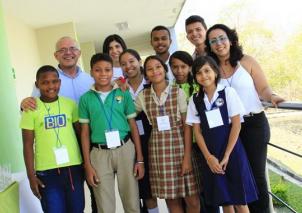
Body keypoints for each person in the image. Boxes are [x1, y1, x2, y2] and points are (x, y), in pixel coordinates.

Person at [205, 24, 285, 213]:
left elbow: (263, 89)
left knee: (257, 176)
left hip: (253, 124)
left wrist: (272, 97)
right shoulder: (211, 69)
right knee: (237, 175)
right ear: (209, 46)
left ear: (231, 40)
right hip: (228, 129)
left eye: (222, 38)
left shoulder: (247, 61)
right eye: (213, 41)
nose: (219, 43)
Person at [20, 36, 97, 212]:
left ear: (78, 53)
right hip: (47, 168)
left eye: (71, 48)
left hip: (79, 157)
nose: (50, 86)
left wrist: (88, 160)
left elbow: (82, 131)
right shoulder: (35, 105)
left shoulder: (88, 81)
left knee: (83, 203)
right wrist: (31, 176)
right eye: (62, 50)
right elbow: (27, 140)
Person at [186, 56, 259, 212]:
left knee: (240, 200)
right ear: (195, 77)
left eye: (207, 71)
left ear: (215, 71)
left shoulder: (228, 93)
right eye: (199, 73)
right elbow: (197, 132)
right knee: (224, 199)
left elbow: (236, 125)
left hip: (232, 152)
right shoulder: (195, 100)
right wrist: (208, 157)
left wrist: (226, 155)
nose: (203, 75)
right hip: (211, 154)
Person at [79, 53, 144, 213]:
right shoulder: (85, 99)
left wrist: (140, 159)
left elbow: (133, 125)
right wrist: (87, 165)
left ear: (112, 72)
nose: (103, 74)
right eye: (98, 70)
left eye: (107, 70)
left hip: (125, 149)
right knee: (104, 205)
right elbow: (85, 133)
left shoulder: (123, 93)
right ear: (91, 72)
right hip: (99, 153)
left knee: (132, 202)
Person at [135, 55, 200, 213]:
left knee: (192, 200)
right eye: (149, 69)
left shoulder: (178, 92)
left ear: (164, 70)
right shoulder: (142, 97)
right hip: (159, 150)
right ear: (146, 74)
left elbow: (187, 126)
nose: (154, 71)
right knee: (171, 200)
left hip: (180, 146)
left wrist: (187, 158)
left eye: (158, 67)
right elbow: (126, 115)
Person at [20, 65, 85, 213]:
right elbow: (27, 144)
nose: (51, 86)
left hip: (73, 168)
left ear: (60, 82)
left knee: (77, 209)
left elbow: (81, 135)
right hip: (46, 172)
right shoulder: (30, 109)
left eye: (54, 81)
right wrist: (31, 177)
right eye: (45, 82)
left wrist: (87, 164)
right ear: (37, 85)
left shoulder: (70, 104)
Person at [169, 51, 220, 213]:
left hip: (204, 143)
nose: (179, 71)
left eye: (183, 66)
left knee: (208, 189)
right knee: (190, 193)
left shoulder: (198, 88)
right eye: (175, 67)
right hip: (183, 145)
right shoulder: (170, 89)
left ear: (191, 68)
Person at [119, 49, 159, 213]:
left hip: (152, 138)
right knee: (136, 188)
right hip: (129, 139)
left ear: (139, 62)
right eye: (123, 64)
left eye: (131, 61)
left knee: (150, 189)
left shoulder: (153, 82)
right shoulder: (119, 87)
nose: (128, 66)